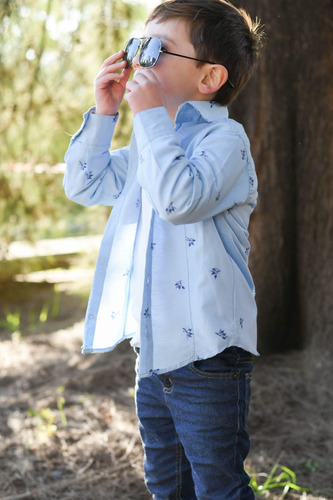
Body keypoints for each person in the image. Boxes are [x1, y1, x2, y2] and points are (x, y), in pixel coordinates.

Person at [64, 1, 264, 498]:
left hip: (210, 355)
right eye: (137, 46)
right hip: (154, 353)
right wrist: (106, 114)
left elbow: (180, 199)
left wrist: (150, 118)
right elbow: (84, 185)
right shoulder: (149, 146)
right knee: (166, 482)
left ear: (209, 78)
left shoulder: (226, 140)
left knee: (217, 483)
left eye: (154, 50)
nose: (138, 60)